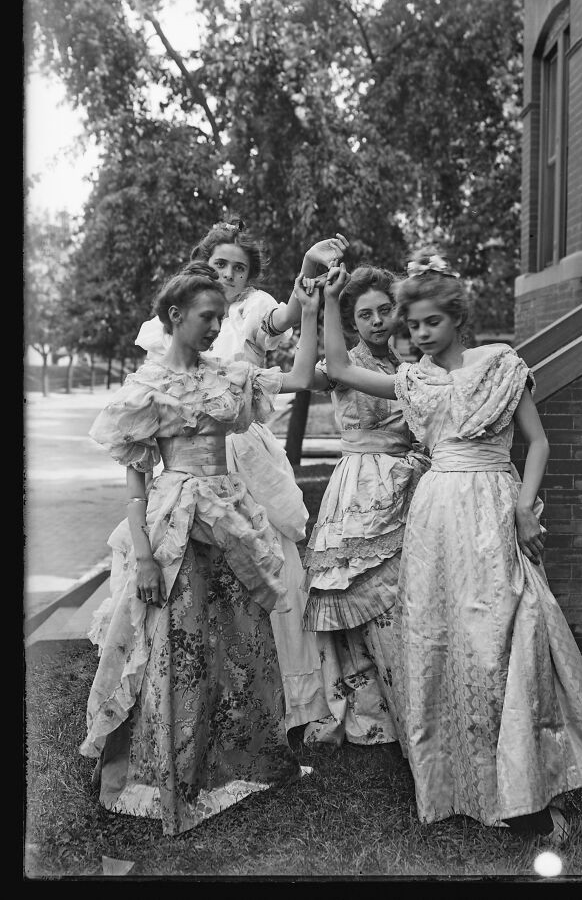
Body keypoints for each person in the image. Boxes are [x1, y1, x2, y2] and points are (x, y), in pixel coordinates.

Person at [321, 253, 582, 844]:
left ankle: (521, 790)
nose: (418, 334)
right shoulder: (415, 379)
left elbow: (537, 444)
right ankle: (458, 786)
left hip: (493, 509)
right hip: (436, 515)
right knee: (442, 640)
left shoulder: (502, 367)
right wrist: (332, 300)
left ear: (458, 318)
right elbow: (336, 366)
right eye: (411, 326)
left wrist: (522, 508)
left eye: (429, 322)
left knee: (510, 633)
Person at [80, 267, 321, 835]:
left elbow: (304, 374)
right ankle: (176, 767)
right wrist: (143, 558)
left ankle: (243, 758)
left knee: (240, 637)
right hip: (177, 519)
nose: (216, 327)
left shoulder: (230, 377)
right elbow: (137, 485)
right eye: (206, 317)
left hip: (231, 514)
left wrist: (312, 303)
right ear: (174, 318)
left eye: (220, 317)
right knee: (180, 643)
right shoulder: (147, 387)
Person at [103, 219, 348, 731]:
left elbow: (293, 355)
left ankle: (268, 705)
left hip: (237, 469)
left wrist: (309, 290)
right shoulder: (162, 358)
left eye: (240, 269)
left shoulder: (244, 344)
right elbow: (142, 459)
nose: (230, 276)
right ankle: (171, 709)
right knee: (181, 597)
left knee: (253, 583)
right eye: (221, 266)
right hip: (178, 482)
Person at [300, 265, 430, 747]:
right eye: (365, 314)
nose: (377, 321)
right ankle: (370, 708)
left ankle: (415, 700)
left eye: (385, 310)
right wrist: (328, 305)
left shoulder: (412, 362)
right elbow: (318, 372)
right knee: (367, 596)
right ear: (352, 322)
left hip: (414, 478)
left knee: (411, 594)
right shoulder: (342, 362)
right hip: (362, 485)